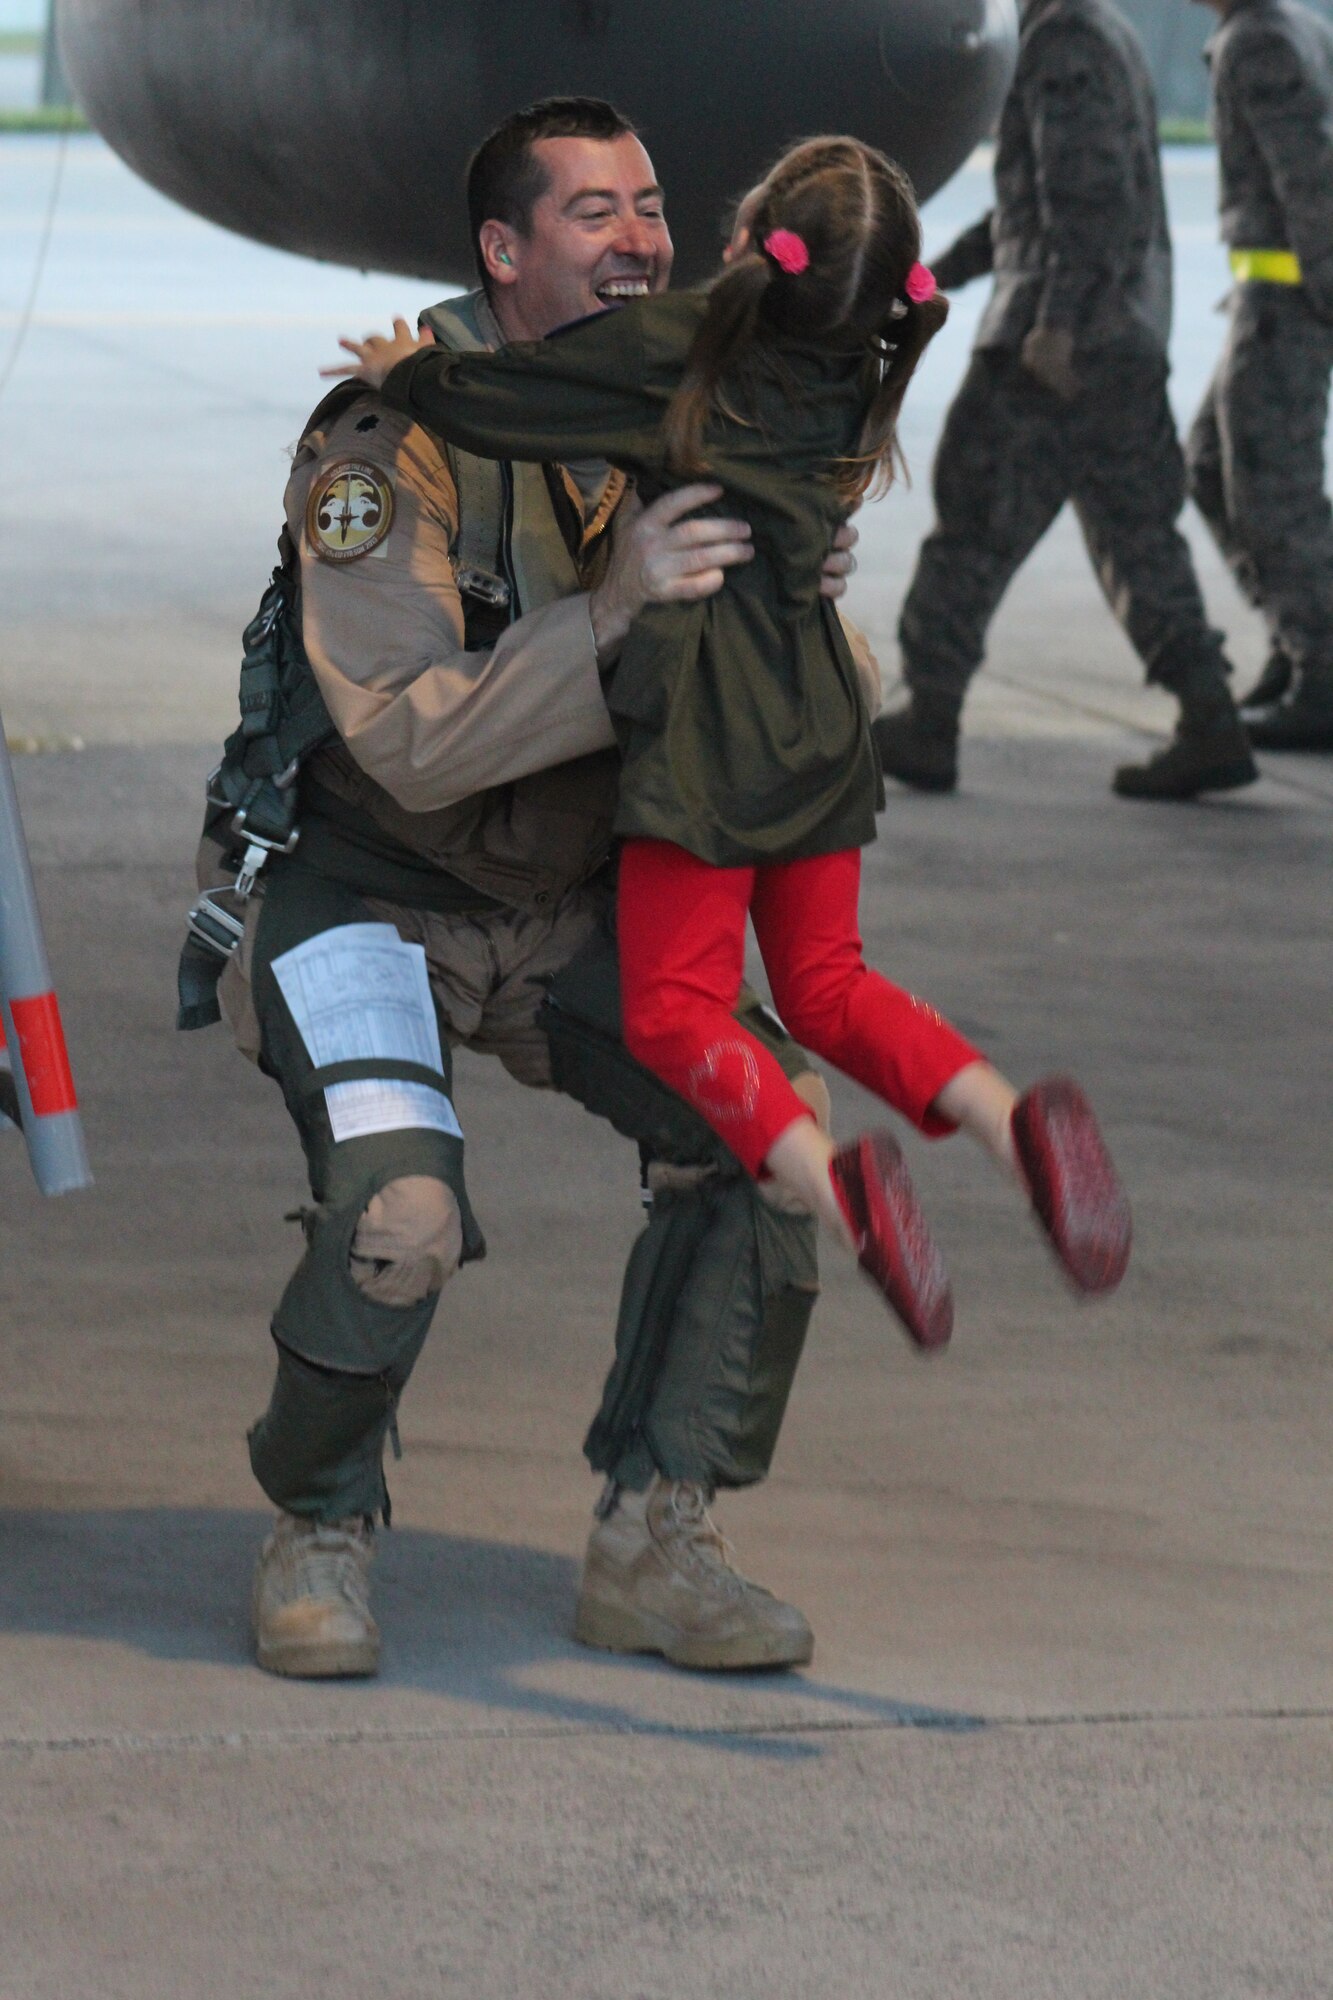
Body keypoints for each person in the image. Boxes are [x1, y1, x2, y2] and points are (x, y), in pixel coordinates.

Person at [185, 99, 863, 1681]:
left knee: (770, 1131)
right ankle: (319, 1524)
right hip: (369, 895)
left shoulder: (686, 419)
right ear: (502, 250)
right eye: (592, 212)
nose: (640, 240)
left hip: (565, 900)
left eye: (651, 205)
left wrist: (793, 615)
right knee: (401, 1215)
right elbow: (412, 741)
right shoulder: (386, 440)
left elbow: (797, 732)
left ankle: (655, 1543)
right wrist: (619, 611)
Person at [339, 137, 1133, 1346]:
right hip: (818, 713)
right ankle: (1013, 1122)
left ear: (756, 233)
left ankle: (846, 1200)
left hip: (711, 736)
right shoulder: (864, 354)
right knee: (829, 987)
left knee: (673, 1008)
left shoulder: (689, 340)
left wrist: (407, 373)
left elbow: (511, 399)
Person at [875, 0, 1258, 803]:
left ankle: (930, 718)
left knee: (971, 523)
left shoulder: (1063, 40)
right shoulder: (1099, 31)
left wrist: (1055, 327)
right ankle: (1208, 715)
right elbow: (1033, 209)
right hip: (1118, 342)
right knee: (1137, 539)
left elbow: (1088, 206)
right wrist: (933, 276)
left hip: (1051, 351)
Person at [1186, 0, 1333, 750]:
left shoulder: (1259, 39)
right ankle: (1297, 633)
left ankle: (1323, 670)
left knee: (1273, 492)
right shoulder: (1289, 25)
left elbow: (1312, 184)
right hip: (1269, 301)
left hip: (1289, 307)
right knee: (1209, 465)